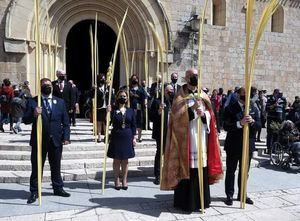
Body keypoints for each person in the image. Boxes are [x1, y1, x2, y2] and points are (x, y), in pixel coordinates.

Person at [161, 68, 223, 211]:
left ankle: (202, 201)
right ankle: (186, 202)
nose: (195, 78)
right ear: (186, 78)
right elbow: (175, 119)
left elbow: (212, 117)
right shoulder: (180, 96)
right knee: (187, 169)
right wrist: (192, 110)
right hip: (186, 140)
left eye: (196, 75)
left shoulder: (203, 95)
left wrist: (204, 115)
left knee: (201, 168)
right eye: (192, 76)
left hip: (201, 138)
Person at [23, 78, 71, 204]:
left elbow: (65, 121)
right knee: (37, 167)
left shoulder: (59, 102)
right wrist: (33, 114)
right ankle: (34, 191)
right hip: (39, 141)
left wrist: (66, 137)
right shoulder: (33, 101)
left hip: (55, 140)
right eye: (44, 85)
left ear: (52, 86)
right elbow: (25, 119)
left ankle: (58, 188)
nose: (47, 86)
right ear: (40, 87)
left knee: (56, 166)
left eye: (49, 85)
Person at [223, 87, 261, 206]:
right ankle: (229, 195)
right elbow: (226, 126)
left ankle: (242, 194)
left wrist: (253, 122)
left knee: (245, 172)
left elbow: (260, 125)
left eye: (248, 93)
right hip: (233, 145)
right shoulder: (230, 108)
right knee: (231, 171)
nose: (246, 95)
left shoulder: (253, 108)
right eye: (244, 93)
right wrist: (239, 123)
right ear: (238, 94)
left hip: (247, 146)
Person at [107, 89, 136, 190]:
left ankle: (124, 180)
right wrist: (108, 112)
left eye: (124, 96)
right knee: (117, 160)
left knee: (125, 160)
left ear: (127, 98)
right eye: (121, 96)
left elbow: (133, 125)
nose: (122, 98)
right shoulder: (113, 110)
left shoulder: (131, 110)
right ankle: (116, 180)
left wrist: (134, 137)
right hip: (116, 136)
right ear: (117, 98)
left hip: (127, 136)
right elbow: (108, 123)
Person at [150, 84, 174, 185]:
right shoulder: (157, 101)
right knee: (160, 152)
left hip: (172, 131)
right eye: (169, 90)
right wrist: (159, 111)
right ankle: (158, 174)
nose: (171, 92)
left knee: (170, 153)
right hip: (161, 131)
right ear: (164, 91)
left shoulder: (174, 102)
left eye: (172, 90)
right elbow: (151, 117)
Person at [266, 89, 287, 153]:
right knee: (270, 134)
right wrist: (273, 105)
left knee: (277, 134)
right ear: (275, 93)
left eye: (281, 93)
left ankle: (275, 149)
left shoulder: (283, 100)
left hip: (279, 119)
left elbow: (284, 109)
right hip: (271, 118)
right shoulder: (270, 99)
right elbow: (267, 108)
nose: (280, 95)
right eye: (278, 93)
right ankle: (269, 149)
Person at [129, 75, 147, 142]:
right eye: (133, 79)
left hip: (139, 106)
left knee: (139, 121)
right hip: (131, 106)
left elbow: (145, 96)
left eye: (136, 79)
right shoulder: (129, 88)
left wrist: (145, 102)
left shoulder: (140, 88)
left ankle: (139, 136)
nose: (134, 80)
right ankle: (133, 136)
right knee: (132, 121)